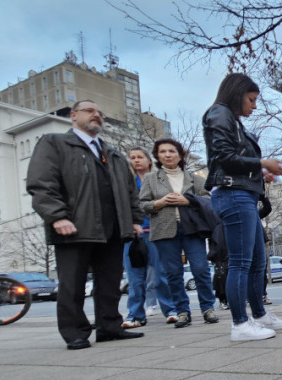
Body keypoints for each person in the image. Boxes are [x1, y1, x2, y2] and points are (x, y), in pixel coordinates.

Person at [26, 100, 145, 350]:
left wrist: (134, 220)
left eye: (100, 113)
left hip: (113, 227)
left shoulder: (112, 154)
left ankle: (110, 327)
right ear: (73, 115)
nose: (96, 115)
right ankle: (75, 333)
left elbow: (130, 192)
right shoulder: (55, 143)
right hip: (75, 226)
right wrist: (57, 216)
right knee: (72, 284)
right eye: (90, 110)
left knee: (110, 283)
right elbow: (42, 183)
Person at [204, 73, 282, 341]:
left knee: (256, 261)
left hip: (243, 193)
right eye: (251, 99)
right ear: (237, 93)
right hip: (233, 195)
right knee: (241, 262)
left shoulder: (231, 120)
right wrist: (262, 164)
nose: (254, 105)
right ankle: (240, 324)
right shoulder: (220, 114)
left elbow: (233, 160)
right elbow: (225, 157)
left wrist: (258, 173)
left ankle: (259, 315)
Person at [139, 138, 218, 329]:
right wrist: (160, 203)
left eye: (172, 151)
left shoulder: (195, 178)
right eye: (163, 151)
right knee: (173, 273)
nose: (167, 155)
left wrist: (188, 200)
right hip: (164, 230)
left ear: (180, 155)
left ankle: (208, 308)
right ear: (157, 156)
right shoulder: (150, 179)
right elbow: (142, 205)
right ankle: (182, 311)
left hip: (192, 228)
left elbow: (208, 200)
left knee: (200, 269)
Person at [122, 147, 176, 328]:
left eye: (140, 157)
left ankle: (171, 310)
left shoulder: (159, 179)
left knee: (161, 275)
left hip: (157, 232)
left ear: (148, 160)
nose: (136, 160)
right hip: (133, 235)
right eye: (132, 158)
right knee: (135, 278)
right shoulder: (127, 182)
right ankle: (135, 314)